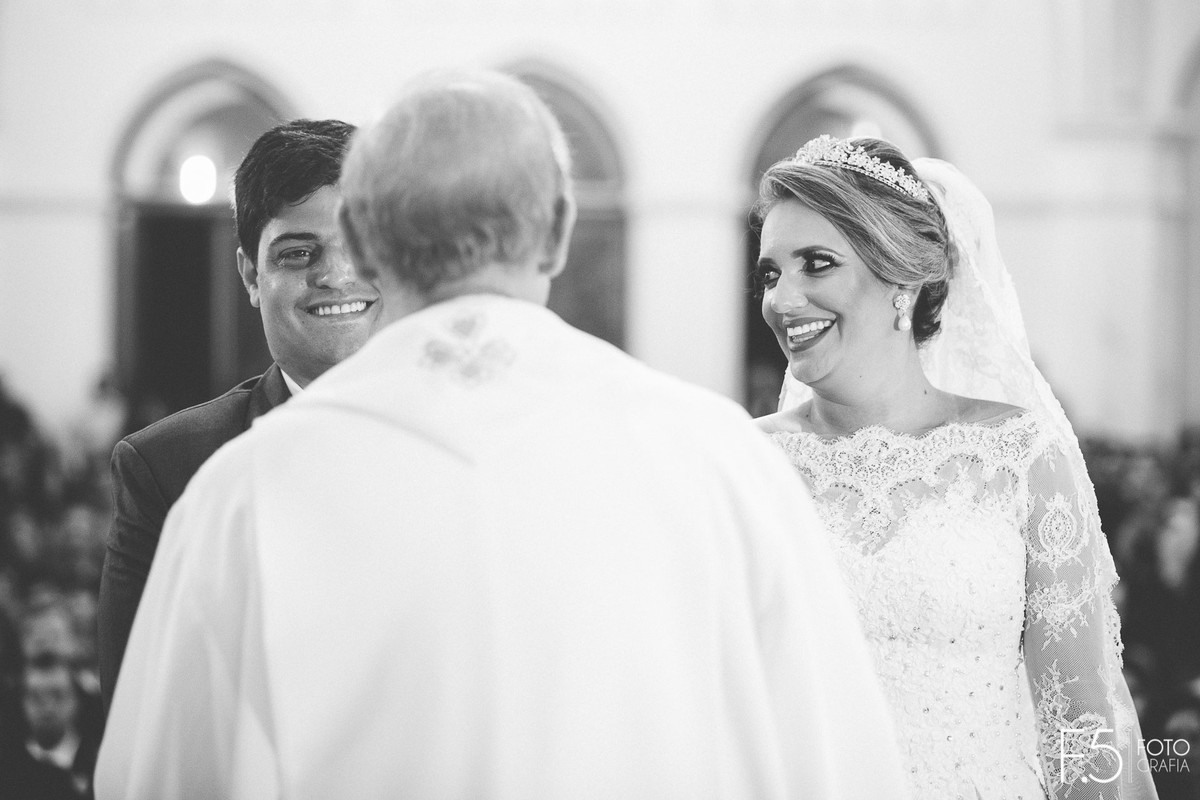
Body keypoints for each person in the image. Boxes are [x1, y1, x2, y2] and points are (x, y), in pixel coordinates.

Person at [95, 71, 908, 799]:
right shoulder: (716, 455)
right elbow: (836, 764)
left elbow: (156, 777)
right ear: (556, 228)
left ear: (370, 241)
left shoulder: (244, 491)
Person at [753, 135, 1158, 798]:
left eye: (816, 264)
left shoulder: (1021, 456)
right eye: (771, 273)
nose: (782, 298)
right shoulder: (748, 466)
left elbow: (1080, 721)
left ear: (906, 277)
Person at [96, 118, 381, 710]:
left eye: (361, 247)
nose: (336, 275)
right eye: (299, 253)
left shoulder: (467, 441)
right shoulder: (169, 468)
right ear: (252, 275)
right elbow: (136, 711)